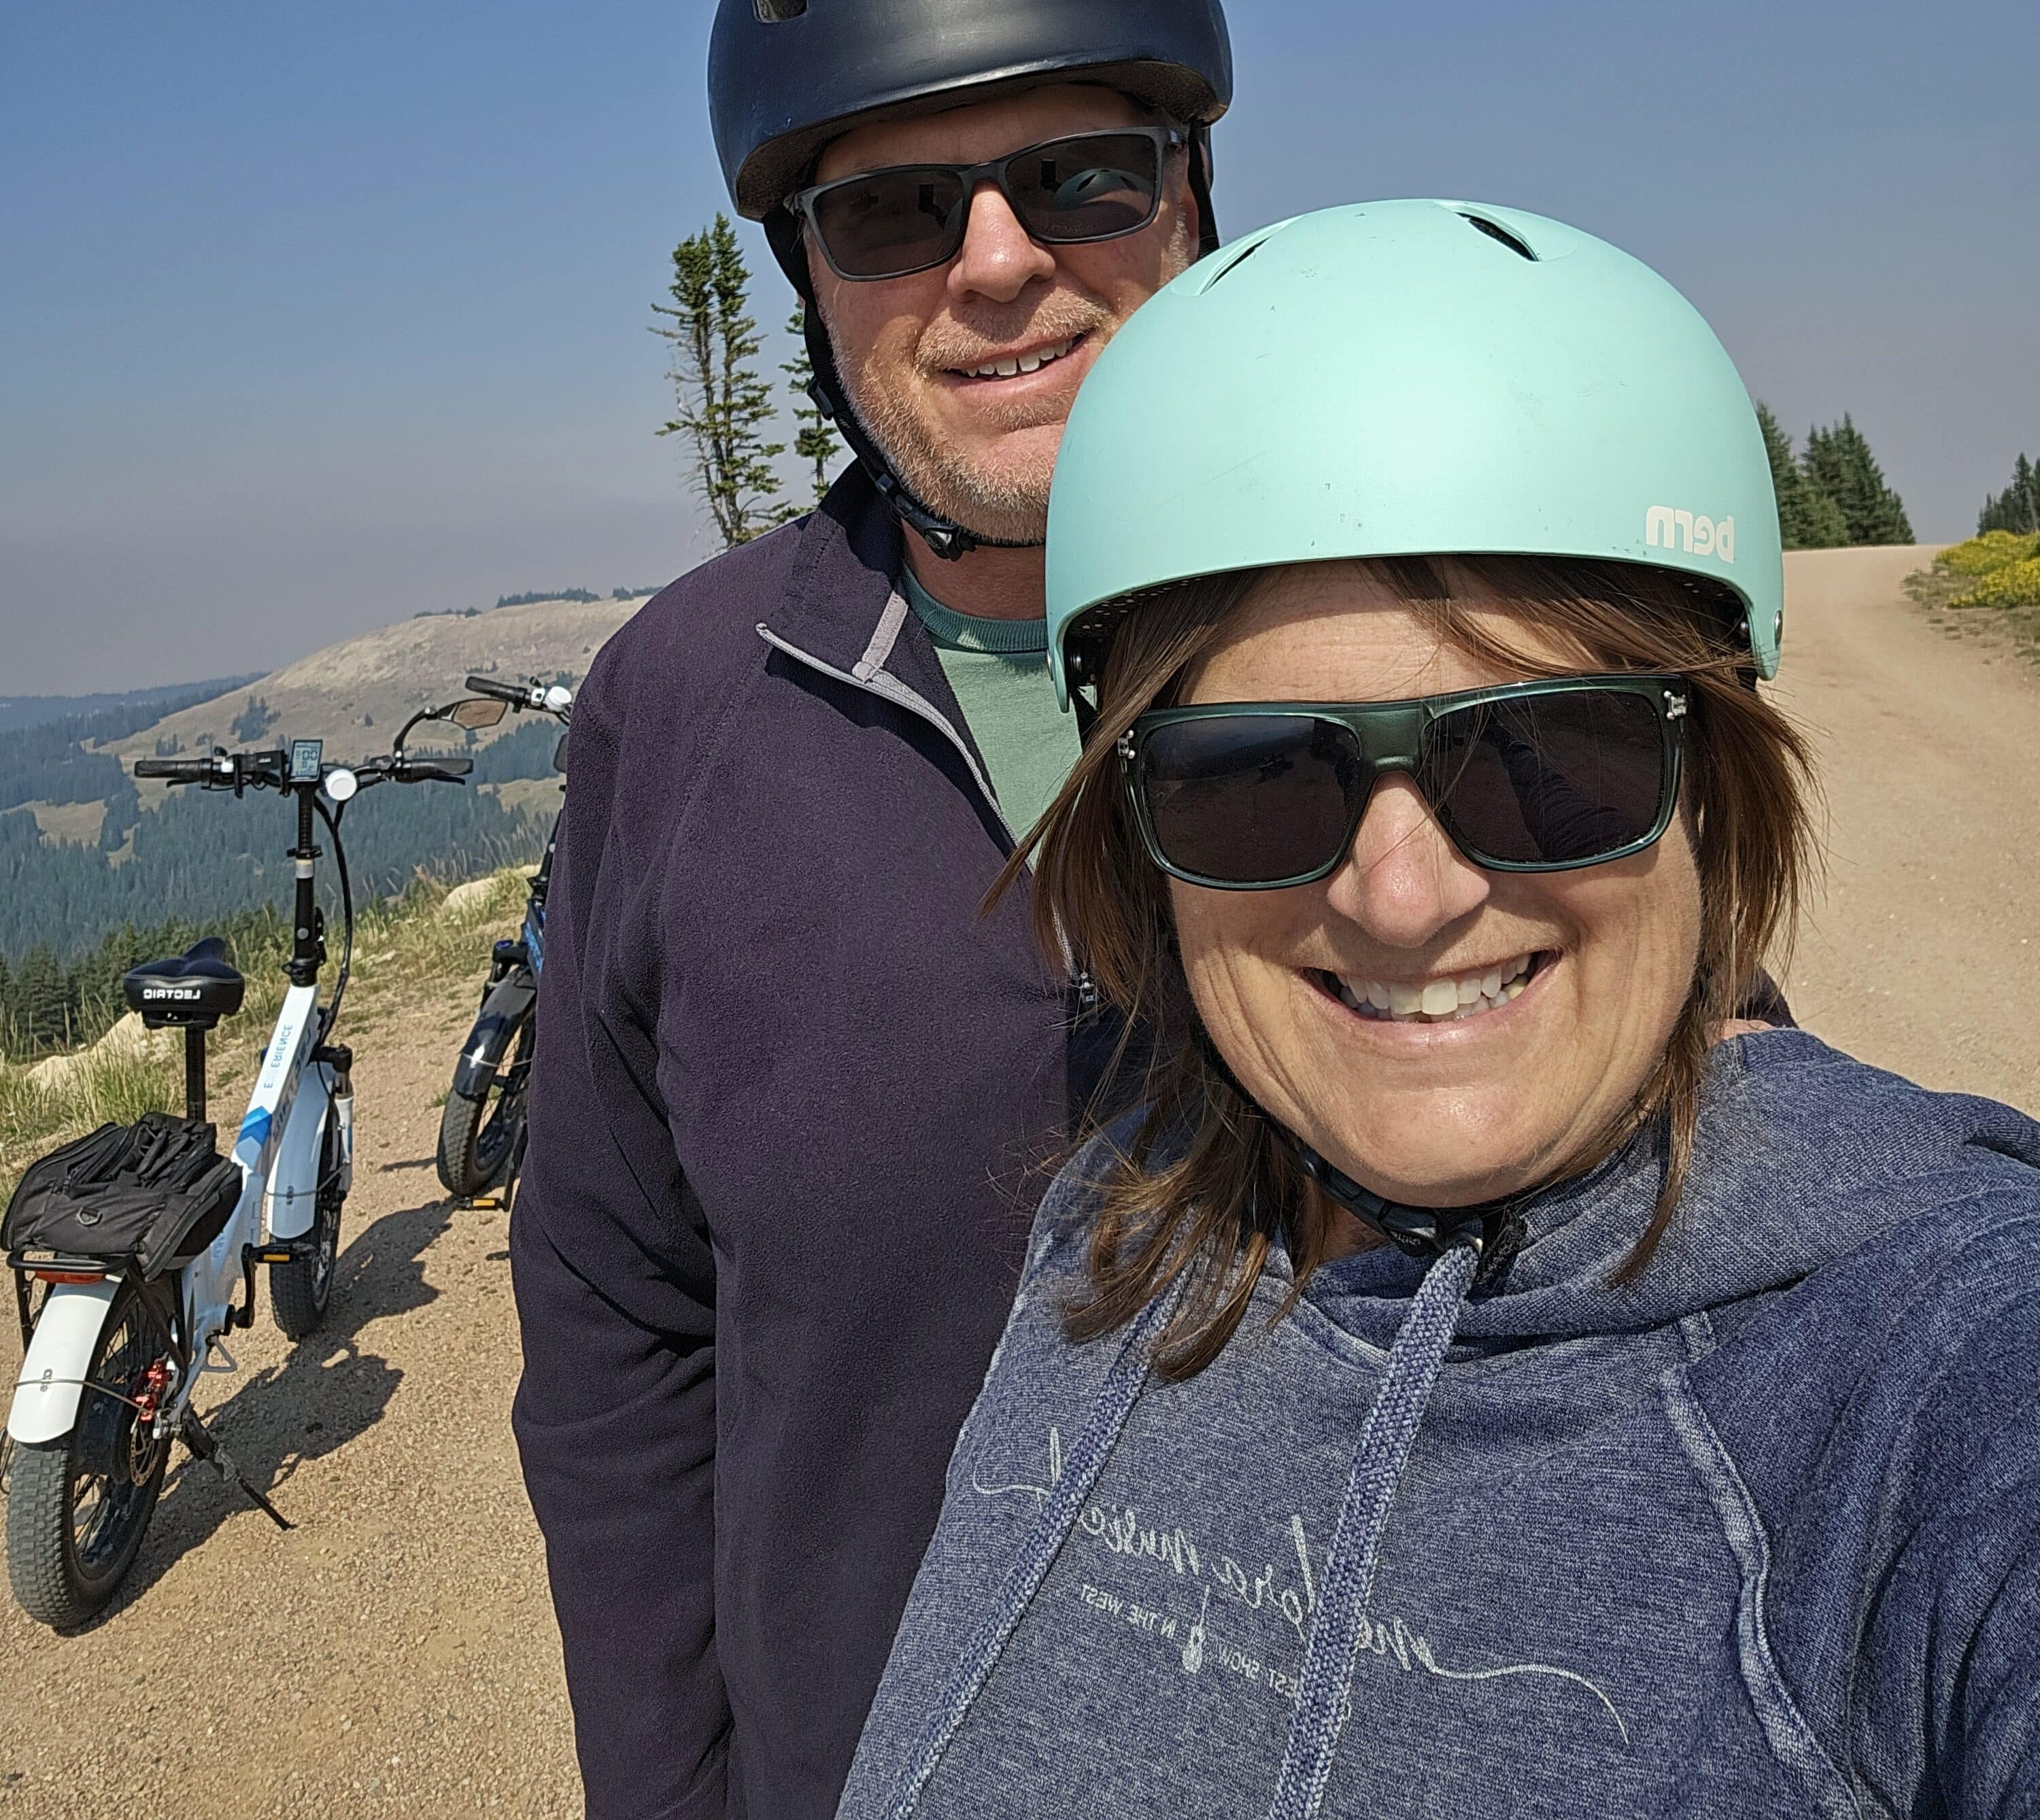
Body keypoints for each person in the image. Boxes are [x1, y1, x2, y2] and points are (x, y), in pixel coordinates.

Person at [840, 199, 2040, 1819]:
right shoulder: (1120, 1216)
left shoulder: (1931, 1366)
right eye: (1258, 776)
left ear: (1712, 778)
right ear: (1139, 824)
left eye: (1547, 758)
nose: (1402, 895)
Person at [510, 0, 1234, 1819]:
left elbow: (1717, 1158)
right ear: (809, 281)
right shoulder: (683, 703)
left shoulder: (1408, 641)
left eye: (1083, 173)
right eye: (900, 209)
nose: (999, 260)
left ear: (1191, 204)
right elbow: (612, 1328)